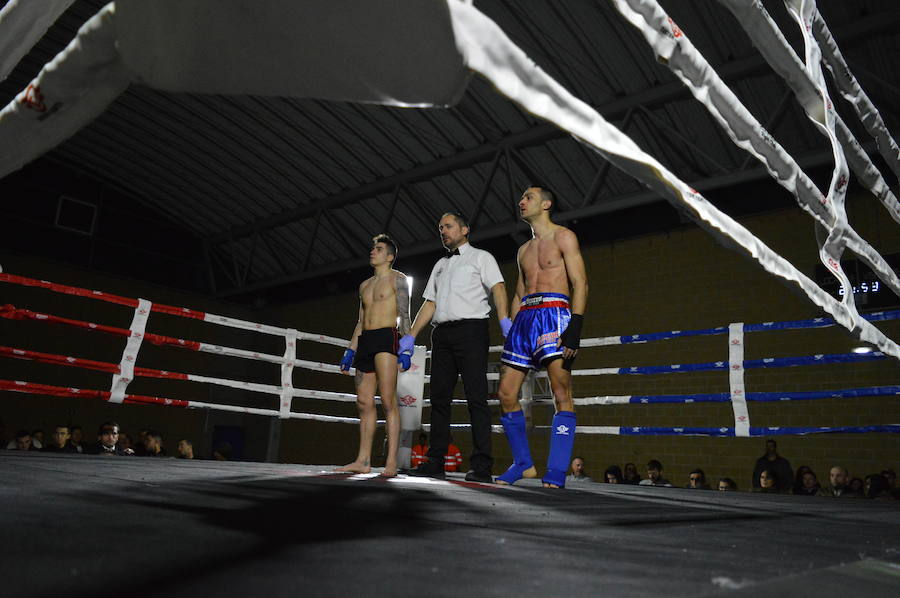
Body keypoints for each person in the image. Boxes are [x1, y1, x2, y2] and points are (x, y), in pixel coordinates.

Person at [403, 213, 509, 483]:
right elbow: (430, 303)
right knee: (439, 399)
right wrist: (412, 335)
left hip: (472, 330)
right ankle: (435, 460)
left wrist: (504, 318)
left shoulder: (481, 257)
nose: (443, 231)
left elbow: (497, 287)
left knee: (476, 398)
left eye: (448, 226)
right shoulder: (440, 264)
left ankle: (482, 465)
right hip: (442, 335)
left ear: (465, 229)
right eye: (440, 228)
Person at [495, 186, 589, 489]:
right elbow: (520, 292)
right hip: (525, 318)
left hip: (555, 314)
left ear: (547, 203)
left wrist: (575, 328)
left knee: (560, 392)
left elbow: (580, 282)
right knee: (506, 394)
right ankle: (524, 464)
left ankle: (558, 469)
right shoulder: (523, 250)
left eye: (529, 197)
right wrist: (510, 324)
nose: (521, 201)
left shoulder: (563, 236)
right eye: (521, 197)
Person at [337, 234, 411, 478]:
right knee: (363, 401)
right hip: (365, 339)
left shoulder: (398, 279)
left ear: (389, 256)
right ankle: (363, 460)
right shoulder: (364, 285)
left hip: (386, 336)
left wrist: (407, 346)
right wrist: (350, 350)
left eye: (378, 249)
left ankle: (391, 462)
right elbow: (360, 321)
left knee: (388, 400)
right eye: (373, 248)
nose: (373, 251)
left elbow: (404, 314)